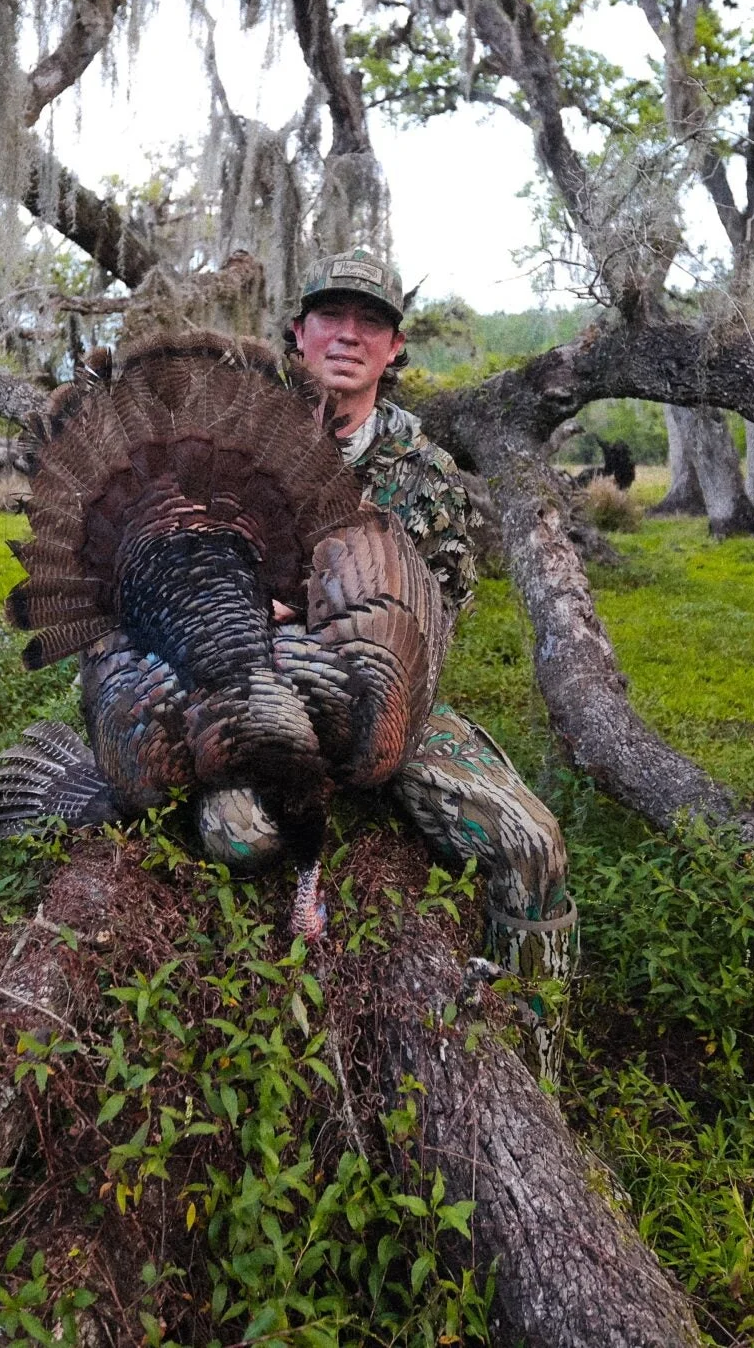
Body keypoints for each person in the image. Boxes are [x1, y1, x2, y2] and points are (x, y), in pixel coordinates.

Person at [197, 247, 575, 983]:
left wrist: (314, 617)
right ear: (298, 332)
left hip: (390, 702)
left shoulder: (423, 470)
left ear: (394, 347)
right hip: (258, 693)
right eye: (330, 316)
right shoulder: (232, 451)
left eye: (370, 321)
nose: (348, 334)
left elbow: (439, 613)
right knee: (241, 837)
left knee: (533, 843)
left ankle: (532, 1026)